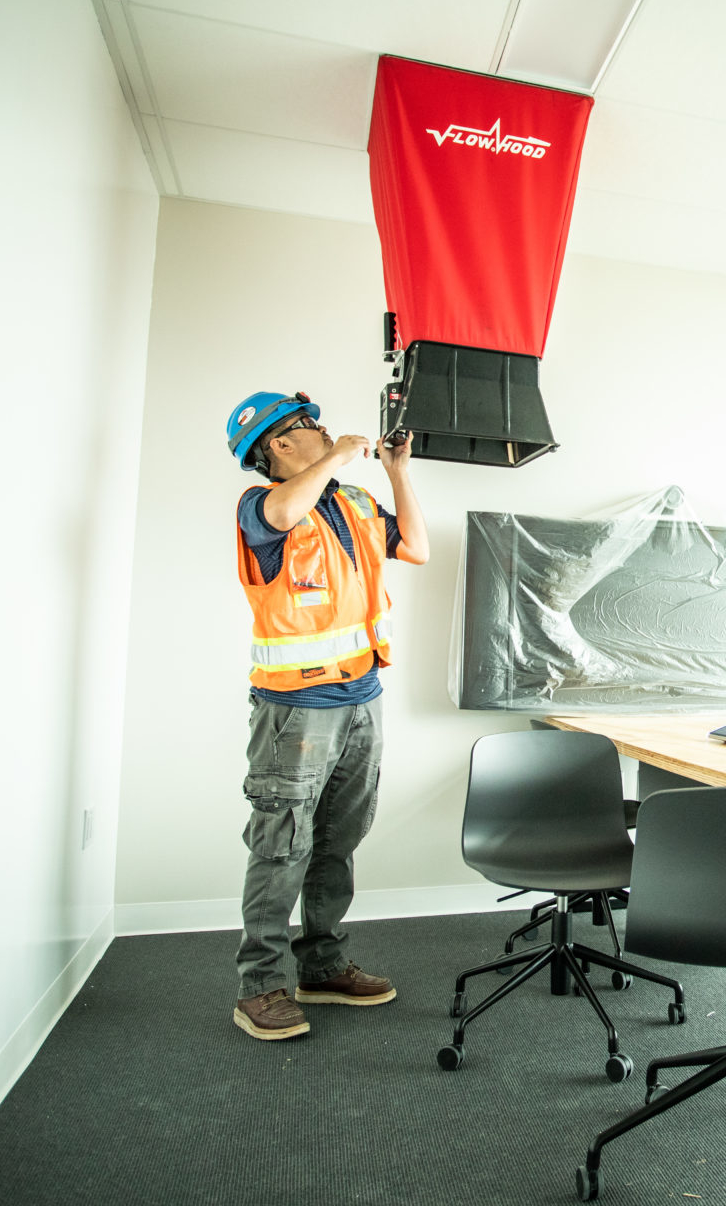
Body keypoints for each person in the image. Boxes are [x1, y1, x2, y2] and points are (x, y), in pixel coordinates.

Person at [222, 391, 430, 1041]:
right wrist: (341, 453)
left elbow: (417, 548)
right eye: (308, 425)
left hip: (362, 699)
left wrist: (397, 470)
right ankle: (260, 987)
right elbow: (285, 510)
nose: (324, 428)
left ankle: (323, 966)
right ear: (279, 444)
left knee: (338, 842)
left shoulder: (355, 502)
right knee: (283, 846)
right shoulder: (261, 506)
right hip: (296, 712)